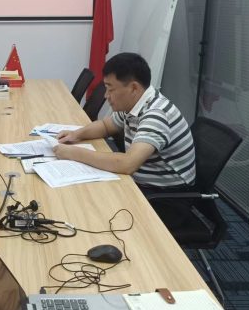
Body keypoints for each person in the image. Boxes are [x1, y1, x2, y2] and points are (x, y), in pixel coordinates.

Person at [54, 53, 196, 225]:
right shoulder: (135, 104)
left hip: (166, 198)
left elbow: (127, 164)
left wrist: (74, 153)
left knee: (91, 211)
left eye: (110, 89)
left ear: (134, 88)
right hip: (142, 184)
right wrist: (76, 134)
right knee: (84, 198)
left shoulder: (156, 115)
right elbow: (106, 126)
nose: (106, 95)